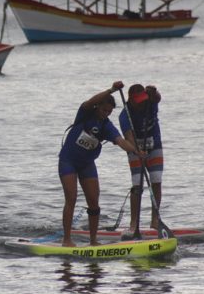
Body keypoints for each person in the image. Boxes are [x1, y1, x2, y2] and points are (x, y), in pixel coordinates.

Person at [59, 81, 145, 247]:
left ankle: (93, 240)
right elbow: (91, 101)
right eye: (104, 110)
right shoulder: (85, 113)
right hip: (68, 161)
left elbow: (121, 141)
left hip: (86, 164)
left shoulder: (106, 126)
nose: (106, 114)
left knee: (94, 203)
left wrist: (136, 151)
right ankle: (67, 239)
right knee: (71, 198)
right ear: (98, 107)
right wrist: (112, 90)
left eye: (109, 112)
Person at [119, 83, 163, 232]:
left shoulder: (150, 102)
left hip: (154, 145)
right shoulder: (125, 115)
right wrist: (137, 151)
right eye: (138, 102)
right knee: (137, 184)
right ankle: (133, 223)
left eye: (144, 100)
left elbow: (157, 98)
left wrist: (154, 91)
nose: (142, 104)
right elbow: (128, 137)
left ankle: (155, 220)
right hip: (134, 147)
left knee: (156, 180)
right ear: (130, 100)